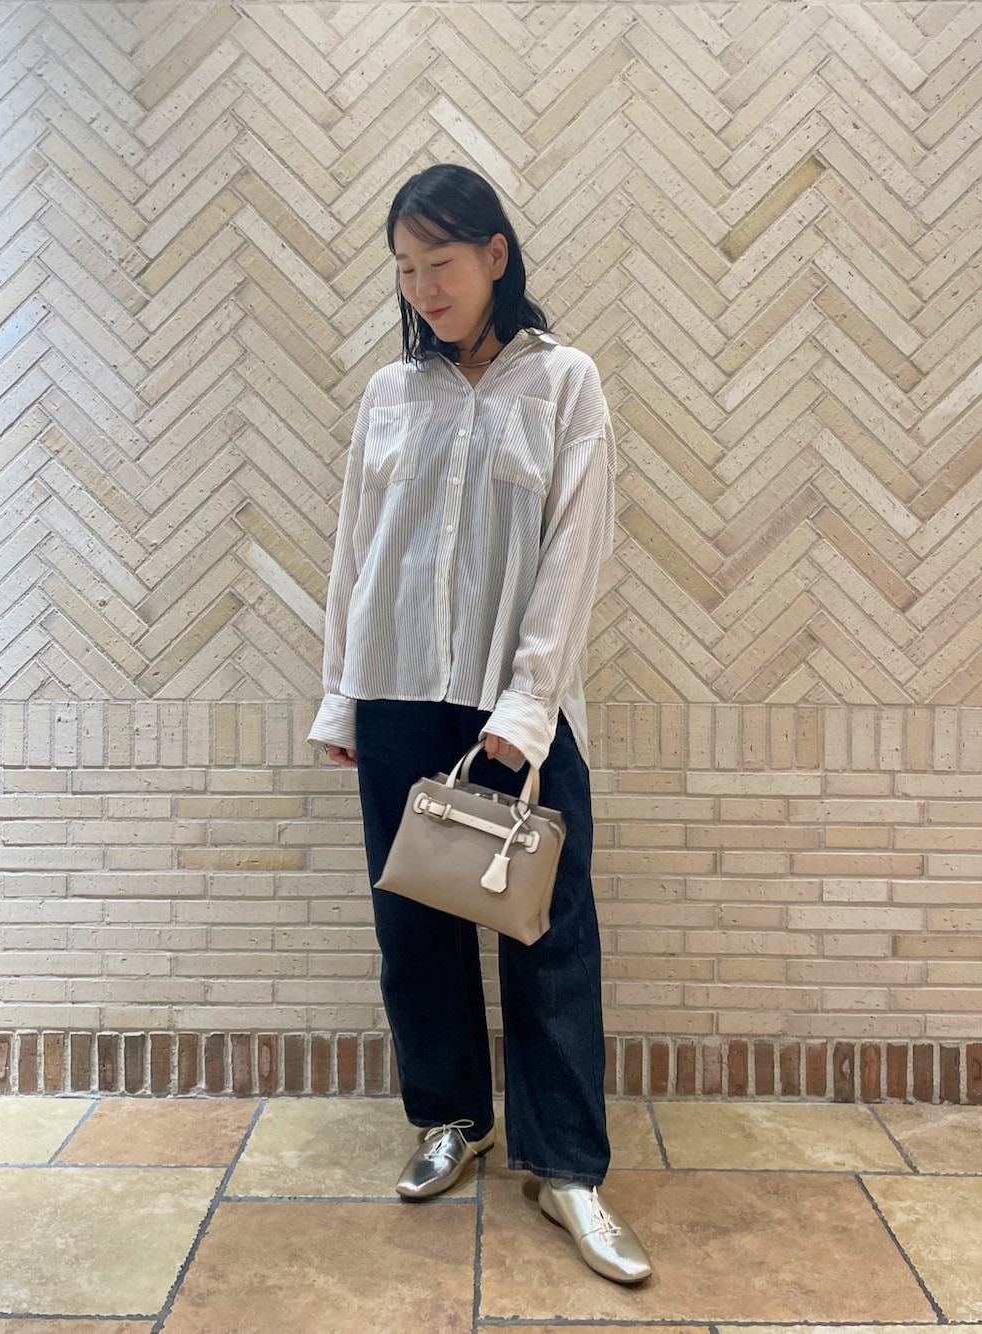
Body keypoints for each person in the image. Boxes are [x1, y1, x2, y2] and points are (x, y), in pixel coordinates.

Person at [307, 162, 652, 1285]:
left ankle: (568, 1166)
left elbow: (576, 551)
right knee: (413, 929)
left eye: (442, 264)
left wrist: (526, 703)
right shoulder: (388, 394)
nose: (424, 289)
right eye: (407, 270)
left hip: (519, 711)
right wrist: (342, 694)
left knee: (546, 935)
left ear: (496, 255)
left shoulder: (564, 383)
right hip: (398, 690)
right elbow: (356, 553)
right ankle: (452, 1117)